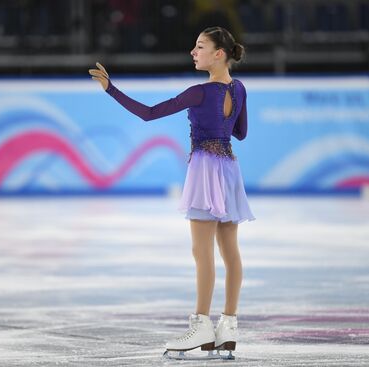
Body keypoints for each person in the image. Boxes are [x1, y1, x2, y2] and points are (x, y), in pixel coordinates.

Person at [89, 26, 255, 359]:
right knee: (230, 251)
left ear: (218, 54)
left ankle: (202, 325)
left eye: (200, 47)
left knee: (202, 252)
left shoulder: (198, 92)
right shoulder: (239, 89)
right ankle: (229, 325)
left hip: (205, 170)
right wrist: (220, 123)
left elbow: (149, 114)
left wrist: (111, 89)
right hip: (228, 169)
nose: (193, 52)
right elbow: (241, 133)